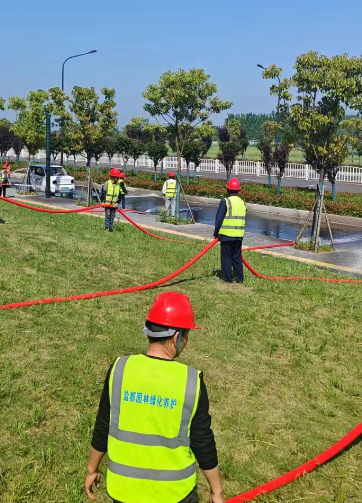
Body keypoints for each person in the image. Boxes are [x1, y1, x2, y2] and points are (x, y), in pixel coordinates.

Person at [84, 292, 224, 503]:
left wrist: (91, 469)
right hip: (174, 495)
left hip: (124, 491)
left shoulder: (120, 369)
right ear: (176, 337)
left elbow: (103, 424)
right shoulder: (191, 381)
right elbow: (203, 442)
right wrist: (216, 491)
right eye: (186, 336)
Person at [213, 178, 245, 284]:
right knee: (237, 257)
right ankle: (239, 278)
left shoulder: (225, 201)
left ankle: (227, 278)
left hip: (226, 234)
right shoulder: (242, 203)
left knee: (226, 257)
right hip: (239, 235)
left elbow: (219, 220)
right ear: (239, 190)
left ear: (227, 189)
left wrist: (216, 233)